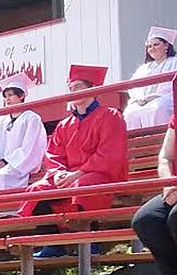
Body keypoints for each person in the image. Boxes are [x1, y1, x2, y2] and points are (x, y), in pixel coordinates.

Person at [19, 65, 129, 258]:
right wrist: (59, 173)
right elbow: (54, 155)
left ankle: (90, 238)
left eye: (77, 87)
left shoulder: (110, 115)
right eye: (70, 88)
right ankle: (52, 243)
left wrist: (78, 173)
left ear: (93, 88)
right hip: (68, 175)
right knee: (37, 189)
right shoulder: (65, 124)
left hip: (101, 173)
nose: (72, 92)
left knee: (84, 185)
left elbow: (109, 153)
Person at [131, 81, 177, 275]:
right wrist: (168, 184)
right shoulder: (175, 120)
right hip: (174, 186)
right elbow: (165, 157)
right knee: (146, 220)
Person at [0, 73, 48, 195]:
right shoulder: (0, 121)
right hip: (0, 165)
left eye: (11, 95)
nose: (7, 99)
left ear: (22, 95)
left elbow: (30, 147)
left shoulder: (31, 118)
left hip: (18, 165)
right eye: (5, 96)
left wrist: (7, 161)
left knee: (0, 179)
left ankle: (2, 212)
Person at [123, 27, 177, 130]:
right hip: (144, 101)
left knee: (159, 108)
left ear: (166, 45)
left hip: (167, 98)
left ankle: (161, 139)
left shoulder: (174, 62)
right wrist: (141, 98)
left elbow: (171, 85)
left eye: (156, 45)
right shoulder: (144, 68)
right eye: (149, 46)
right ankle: (137, 143)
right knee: (130, 112)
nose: (152, 48)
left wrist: (155, 96)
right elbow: (133, 86)